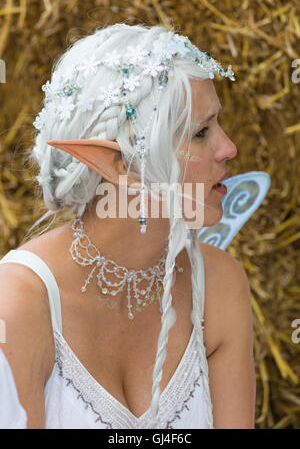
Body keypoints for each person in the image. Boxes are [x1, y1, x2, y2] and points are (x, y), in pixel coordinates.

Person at [0, 23, 256, 429]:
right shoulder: (19, 304)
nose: (229, 148)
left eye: (217, 125)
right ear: (120, 165)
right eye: (201, 132)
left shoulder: (220, 285)